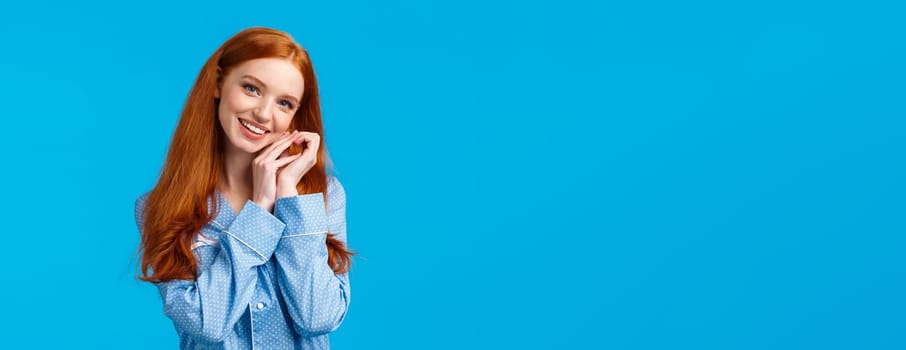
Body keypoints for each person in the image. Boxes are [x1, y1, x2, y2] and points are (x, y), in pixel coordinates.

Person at [133, 27, 352, 349]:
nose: (264, 113)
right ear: (219, 83)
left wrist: (288, 196)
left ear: (295, 117)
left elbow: (317, 318)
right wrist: (260, 210)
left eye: (285, 103)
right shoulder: (160, 207)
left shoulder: (323, 196)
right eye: (252, 88)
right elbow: (207, 323)